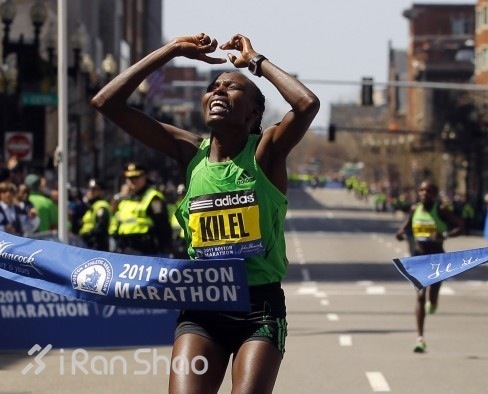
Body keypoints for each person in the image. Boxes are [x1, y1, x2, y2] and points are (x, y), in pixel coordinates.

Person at [91, 33, 319, 393]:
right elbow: (107, 102)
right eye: (214, 86)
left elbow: (306, 104)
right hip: (203, 303)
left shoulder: (266, 151)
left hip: (259, 307)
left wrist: (256, 61)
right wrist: (171, 51)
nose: (219, 91)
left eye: (232, 88)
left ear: (255, 112)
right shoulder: (188, 153)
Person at [395, 180, 463, 353]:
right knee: (420, 296)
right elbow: (404, 228)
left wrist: (445, 234)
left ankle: (433, 303)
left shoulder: (441, 210)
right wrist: (401, 234)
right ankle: (420, 338)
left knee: (431, 298)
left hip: (437, 258)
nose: (425, 193)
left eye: (429, 191)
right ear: (418, 193)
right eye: (422, 190)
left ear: (435, 194)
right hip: (419, 257)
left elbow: (460, 226)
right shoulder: (414, 209)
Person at [110, 163, 172, 256]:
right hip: (125, 250)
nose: (133, 181)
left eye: (136, 177)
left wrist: (163, 252)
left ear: (144, 177)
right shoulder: (126, 199)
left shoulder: (153, 197)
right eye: (130, 178)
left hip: (147, 251)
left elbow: (162, 226)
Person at [78, 179, 112, 251]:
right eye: (89, 189)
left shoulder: (101, 205)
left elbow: (101, 226)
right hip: (87, 244)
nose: (91, 192)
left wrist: (90, 235)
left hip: (97, 245)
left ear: (101, 192)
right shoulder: (91, 206)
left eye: (94, 190)